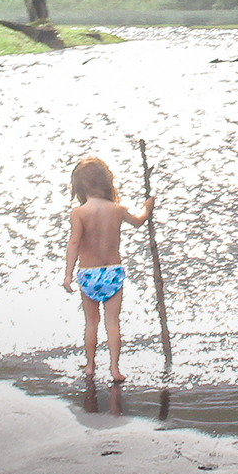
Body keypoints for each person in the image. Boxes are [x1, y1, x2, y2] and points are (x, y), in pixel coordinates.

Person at [61, 155, 151, 380]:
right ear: (106, 182)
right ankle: (115, 369)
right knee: (113, 322)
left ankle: (90, 366)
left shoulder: (79, 213)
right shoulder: (117, 209)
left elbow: (74, 243)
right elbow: (139, 221)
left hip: (88, 274)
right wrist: (147, 207)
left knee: (91, 322)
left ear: (80, 186)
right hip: (112, 272)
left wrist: (68, 275)